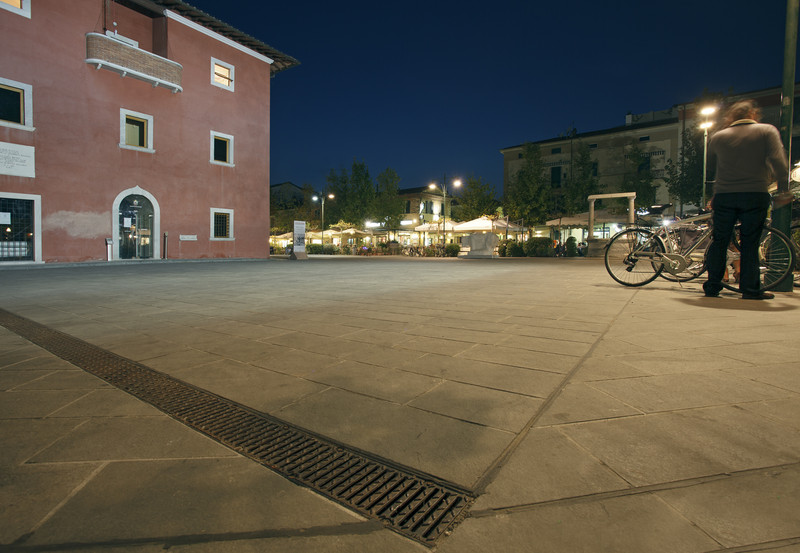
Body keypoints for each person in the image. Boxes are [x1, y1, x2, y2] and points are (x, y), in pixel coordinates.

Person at [703, 99, 788, 300]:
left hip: (724, 195)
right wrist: (783, 189)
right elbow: (778, 161)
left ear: (731, 117)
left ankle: (712, 286)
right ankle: (750, 289)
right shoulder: (766, 131)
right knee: (750, 242)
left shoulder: (718, 137)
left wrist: (713, 195)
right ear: (753, 114)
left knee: (720, 240)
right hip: (754, 193)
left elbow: (711, 169)